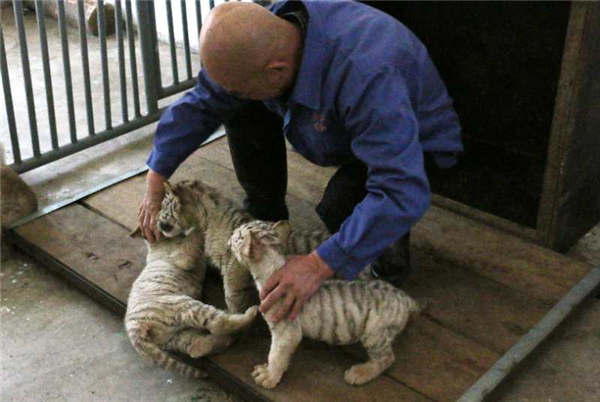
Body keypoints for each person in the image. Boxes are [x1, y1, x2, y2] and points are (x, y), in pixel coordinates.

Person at [138, 0, 463, 323]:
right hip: (346, 127)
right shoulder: (277, 30)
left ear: (276, 70)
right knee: (239, 103)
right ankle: (265, 217)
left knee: (342, 209)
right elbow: (203, 102)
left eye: (241, 86)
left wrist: (318, 264)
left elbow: (401, 188)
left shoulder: (368, 72)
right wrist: (156, 179)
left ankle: (386, 264)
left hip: (414, 148)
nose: (233, 90)